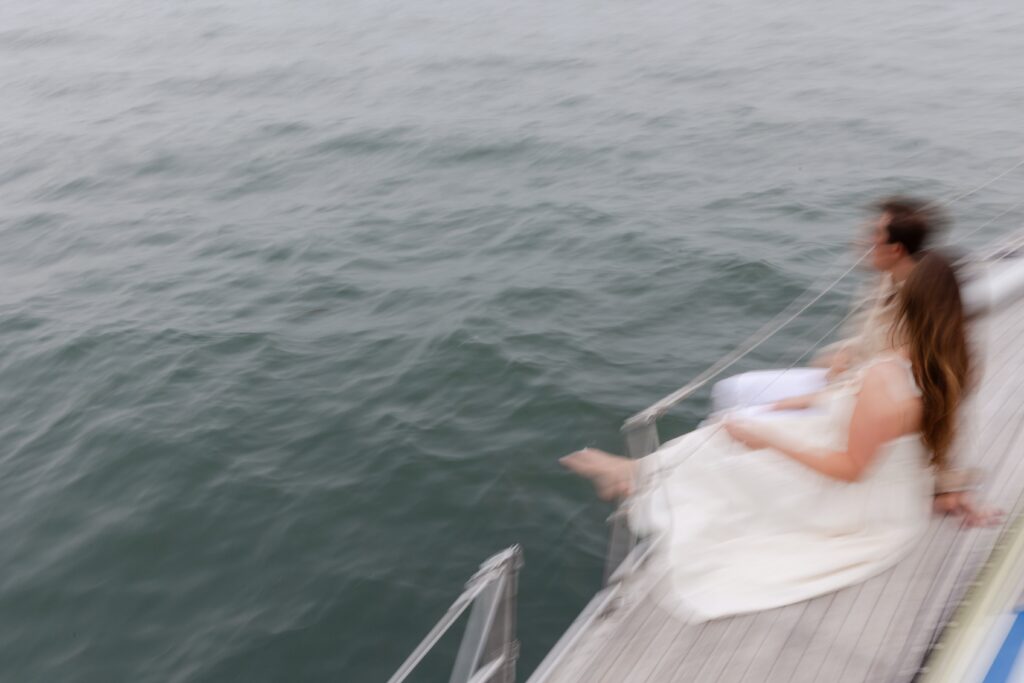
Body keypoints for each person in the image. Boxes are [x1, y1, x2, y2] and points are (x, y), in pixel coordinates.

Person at [562, 252, 976, 622]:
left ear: (905, 309)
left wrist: (769, 440)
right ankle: (637, 472)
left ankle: (636, 476)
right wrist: (789, 408)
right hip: (890, 484)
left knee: (737, 446)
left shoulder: (885, 378)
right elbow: (916, 438)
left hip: (860, 499)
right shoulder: (950, 365)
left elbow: (850, 469)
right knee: (735, 431)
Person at [711, 197, 945, 419]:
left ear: (896, 250)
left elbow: (889, 377)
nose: (866, 241)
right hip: (845, 379)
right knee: (732, 389)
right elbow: (872, 341)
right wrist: (844, 353)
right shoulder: (886, 281)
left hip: (862, 400)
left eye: (876, 234)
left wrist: (805, 401)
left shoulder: (917, 305)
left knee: (744, 415)